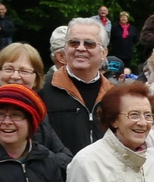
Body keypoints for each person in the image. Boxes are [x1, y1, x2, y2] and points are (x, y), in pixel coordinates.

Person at [39, 18, 114, 155]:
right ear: (65, 49)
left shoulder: (115, 95)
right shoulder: (42, 90)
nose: (80, 48)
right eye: (74, 43)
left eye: (89, 44)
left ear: (104, 52)